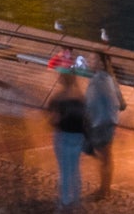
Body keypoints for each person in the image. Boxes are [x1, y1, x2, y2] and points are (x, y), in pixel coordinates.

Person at [45, 67, 89, 205]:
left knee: (64, 169)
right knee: (75, 167)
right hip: (78, 137)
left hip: (63, 136)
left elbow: (52, 118)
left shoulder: (58, 98)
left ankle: (64, 200)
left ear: (62, 80)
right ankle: (76, 197)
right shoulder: (81, 97)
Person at [85, 57, 125, 195]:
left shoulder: (98, 80)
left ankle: (104, 190)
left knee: (103, 157)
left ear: (100, 63)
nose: (89, 61)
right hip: (108, 123)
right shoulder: (110, 79)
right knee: (106, 156)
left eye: (92, 59)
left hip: (100, 123)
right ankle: (105, 188)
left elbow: (91, 103)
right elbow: (121, 104)